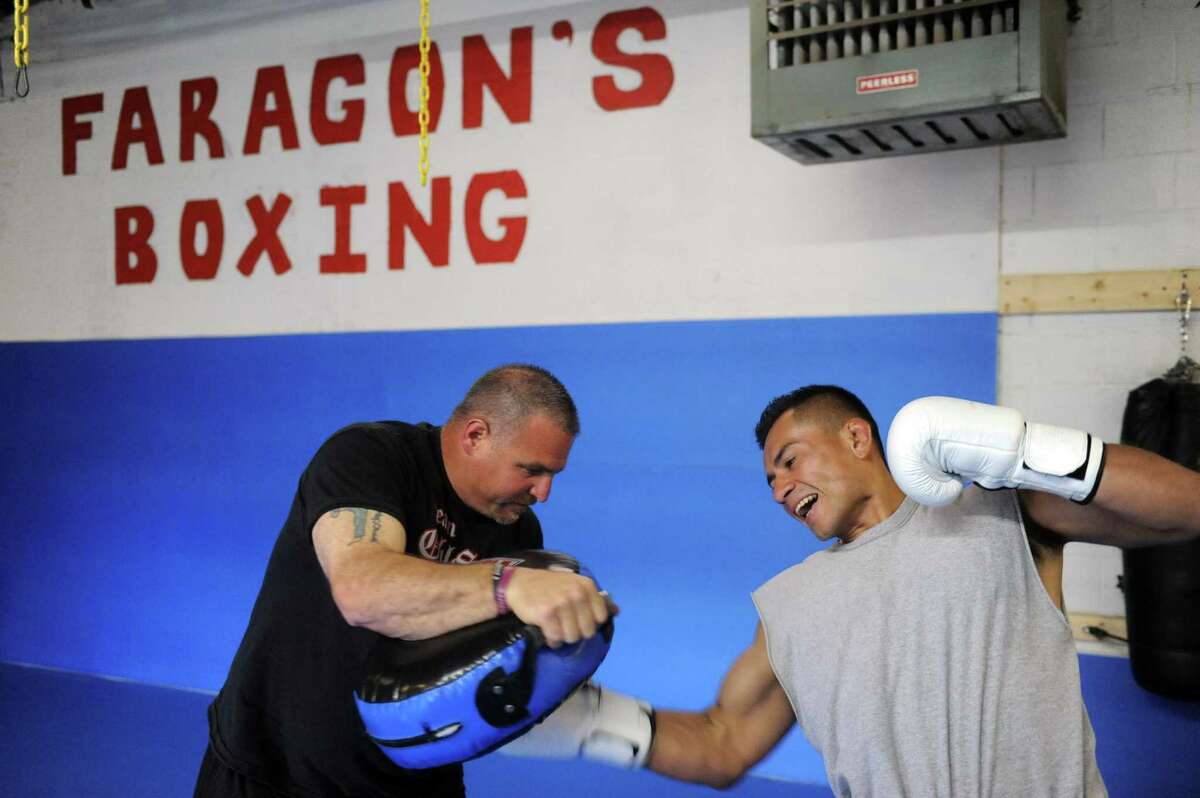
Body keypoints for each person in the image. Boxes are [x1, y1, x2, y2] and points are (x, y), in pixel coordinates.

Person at [503, 386, 1200, 797]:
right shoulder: (789, 604)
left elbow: (1184, 507)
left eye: (789, 461)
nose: (779, 489)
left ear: (857, 436)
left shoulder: (998, 509)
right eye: (769, 482)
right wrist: (592, 724)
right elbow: (724, 742)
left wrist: (1028, 452)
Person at [194, 364, 612, 798]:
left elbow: (484, 665)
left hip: (410, 780)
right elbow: (360, 591)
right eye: (532, 469)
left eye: (552, 476)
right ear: (475, 435)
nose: (543, 493)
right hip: (274, 767)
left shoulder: (519, 531)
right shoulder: (370, 457)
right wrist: (508, 586)